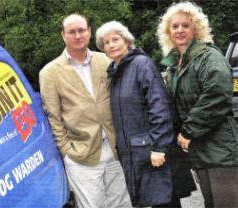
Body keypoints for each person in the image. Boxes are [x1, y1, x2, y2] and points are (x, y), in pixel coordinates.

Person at [95, 21, 196, 207]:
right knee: (154, 201)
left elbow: (161, 108)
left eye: (115, 39)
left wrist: (159, 147)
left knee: (166, 202)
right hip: (136, 155)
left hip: (154, 152)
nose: (111, 45)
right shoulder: (116, 73)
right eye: (106, 42)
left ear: (126, 41)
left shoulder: (142, 65)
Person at [39, 13, 131, 208]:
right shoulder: (49, 72)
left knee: (122, 203)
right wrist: (67, 152)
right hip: (81, 154)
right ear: (63, 35)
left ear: (89, 32)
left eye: (82, 30)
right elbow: (53, 117)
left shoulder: (106, 61)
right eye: (72, 32)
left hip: (115, 149)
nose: (78, 35)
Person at [157, 1, 238, 208]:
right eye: (175, 26)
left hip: (221, 151)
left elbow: (217, 96)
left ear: (197, 28)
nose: (180, 30)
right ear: (168, 31)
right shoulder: (174, 64)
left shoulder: (209, 57)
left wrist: (188, 132)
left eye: (186, 25)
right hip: (200, 152)